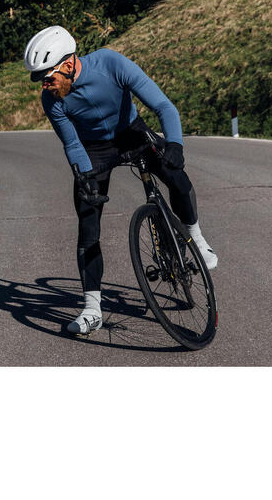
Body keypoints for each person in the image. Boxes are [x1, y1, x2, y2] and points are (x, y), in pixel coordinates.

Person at [23, 25, 217, 335]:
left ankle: (197, 238)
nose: (45, 86)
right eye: (40, 81)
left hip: (132, 133)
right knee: (87, 222)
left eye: (48, 77)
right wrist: (84, 176)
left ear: (69, 63)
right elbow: (72, 143)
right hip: (94, 150)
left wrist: (176, 145)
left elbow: (163, 105)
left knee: (175, 176)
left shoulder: (110, 64)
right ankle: (91, 309)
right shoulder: (52, 101)